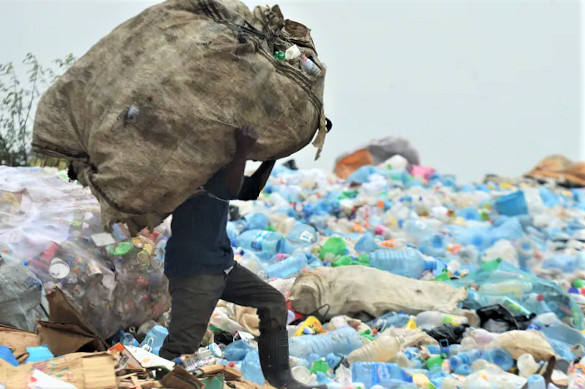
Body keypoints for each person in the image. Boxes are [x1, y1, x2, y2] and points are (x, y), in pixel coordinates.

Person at [159, 125, 323, 389]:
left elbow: (250, 189)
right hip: (195, 271)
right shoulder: (190, 173)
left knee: (273, 303)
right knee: (180, 349)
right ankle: (150, 381)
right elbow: (229, 187)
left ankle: (282, 379)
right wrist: (244, 149)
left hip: (222, 266)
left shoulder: (222, 171)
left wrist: (273, 156)